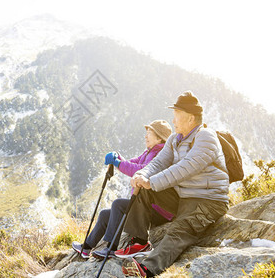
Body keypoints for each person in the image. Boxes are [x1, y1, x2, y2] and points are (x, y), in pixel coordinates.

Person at [118, 91, 229, 277]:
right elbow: (158, 163)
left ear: (191, 118)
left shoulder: (206, 137)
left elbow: (185, 168)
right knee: (144, 190)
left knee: (180, 229)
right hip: (182, 197)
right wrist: (141, 175)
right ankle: (139, 241)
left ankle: (148, 269)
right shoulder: (174, 139)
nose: (174, 120)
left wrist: (151, 182)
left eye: (177, 115)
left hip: (208, 200)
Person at [71, 120, 173, 259]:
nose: (145, 136)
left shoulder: (160, 154)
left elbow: (141, 170)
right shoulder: (150, 151)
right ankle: (86, 248)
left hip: (156, 209)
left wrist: (118, 163)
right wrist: (118, 158)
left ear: (159, 138)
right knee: (105, 214)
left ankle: (111, 249)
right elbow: (133, 163)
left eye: (149, 133)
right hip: (144, 206)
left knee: (118, 205)